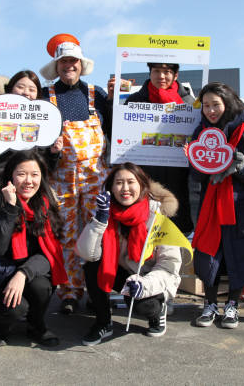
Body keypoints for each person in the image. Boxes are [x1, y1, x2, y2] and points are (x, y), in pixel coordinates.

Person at [39, 34, 111, 314]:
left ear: (81, 65)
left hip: (97, 179)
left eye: (73, 61)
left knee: (96, 235)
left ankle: (97, 291)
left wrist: (120, 98)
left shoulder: (98, 95)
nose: (69, 65)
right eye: (63, 61)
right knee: (66, 236)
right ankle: (69, 291)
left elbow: (118, 127)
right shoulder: (45, 97)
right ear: (56, 67)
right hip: (61, 180)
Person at [188, 82, 244, 329]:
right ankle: (209, 304)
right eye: (207, 106)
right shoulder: (200, 133)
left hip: (240, 205)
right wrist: (198, 163)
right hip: (210, 205)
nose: (211, 111)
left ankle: (232, 305)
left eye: (216, 105)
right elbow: (195, 173)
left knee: (238, 255)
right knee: (209, 253)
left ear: (228, 103)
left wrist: (241, 167)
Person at [76, 163, 182, 345]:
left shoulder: (158, 216)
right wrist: (99, 222)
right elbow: (87, 254)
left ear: (142, 185)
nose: (125, 188)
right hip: (123, 274)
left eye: (130, 182)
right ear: (110, 188)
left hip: (149, 279)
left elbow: (169, 266)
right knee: (92, 265)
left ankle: (158, 311)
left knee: (144, 306)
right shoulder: (106, 213)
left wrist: (145, 284)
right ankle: (103, 322)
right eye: (119, 183)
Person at [0, 149, 67, 347]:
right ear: (10, 176)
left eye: (35, 175)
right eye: (21, 174)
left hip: (22, 273)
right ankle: (0, 328)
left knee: (41, 285)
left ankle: (36, 326)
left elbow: (49, 254)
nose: (28, 181)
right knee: (17, 307)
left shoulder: (45, 204)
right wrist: (10, 209)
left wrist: (22, 274)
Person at [108, 62, 195, 235]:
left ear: (176, 75)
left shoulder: (190, 103)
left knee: (177, 233)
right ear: (150, 73)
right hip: (146, 176)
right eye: (156, 71)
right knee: (144, 230)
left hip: (179, 177)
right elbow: (117, 134)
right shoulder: (134, 101)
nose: (161, 76)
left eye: (167, 72)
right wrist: (112, 102)